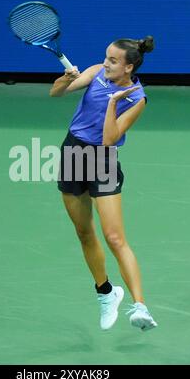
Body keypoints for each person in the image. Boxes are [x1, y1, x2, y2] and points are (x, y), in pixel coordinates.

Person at [49, 36, 158, 332]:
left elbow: (109, 139)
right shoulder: (97, 71)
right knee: (84, 231)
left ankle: (140, 307)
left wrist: (112, 103)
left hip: (103, 161)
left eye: (113, 60)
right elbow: (56, 93)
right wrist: (65, 79)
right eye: (106, 57)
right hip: (73, 152)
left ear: (129, 66)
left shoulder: (137, 98)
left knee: (114, 238)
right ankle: (106, 292)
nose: (106, 63)